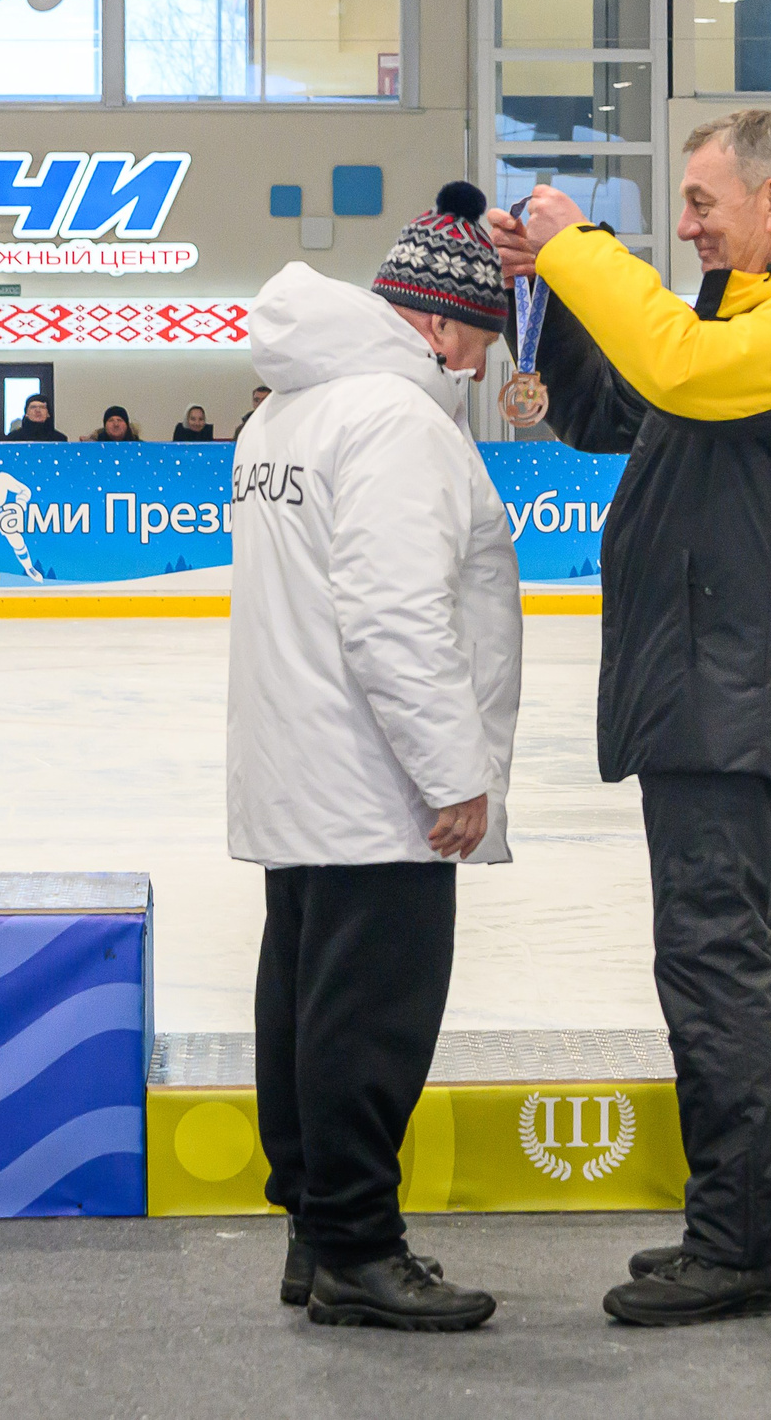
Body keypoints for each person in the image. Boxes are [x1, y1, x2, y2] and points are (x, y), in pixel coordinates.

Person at [489, 110, 771, 1327]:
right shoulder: (742, 315)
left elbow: (679, 371)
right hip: (713, 673)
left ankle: (738, 1245)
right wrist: (548, 297)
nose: (684, 227)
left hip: (739, 679)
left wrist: (579, 251)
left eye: (702, 203)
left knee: (714, 956)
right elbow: (617, 409)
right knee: (745, 951)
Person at [230, 182, 522, 1333]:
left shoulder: (285, 413)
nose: (482, 370)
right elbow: (395, 617)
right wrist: (454, 771)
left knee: (303, 999)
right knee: (369, 1021)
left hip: (301, 766)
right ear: (442, 324)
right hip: (373, 779)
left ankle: (315, 1230)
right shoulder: (397, 421)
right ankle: (358, 1246)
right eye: (482, 342)